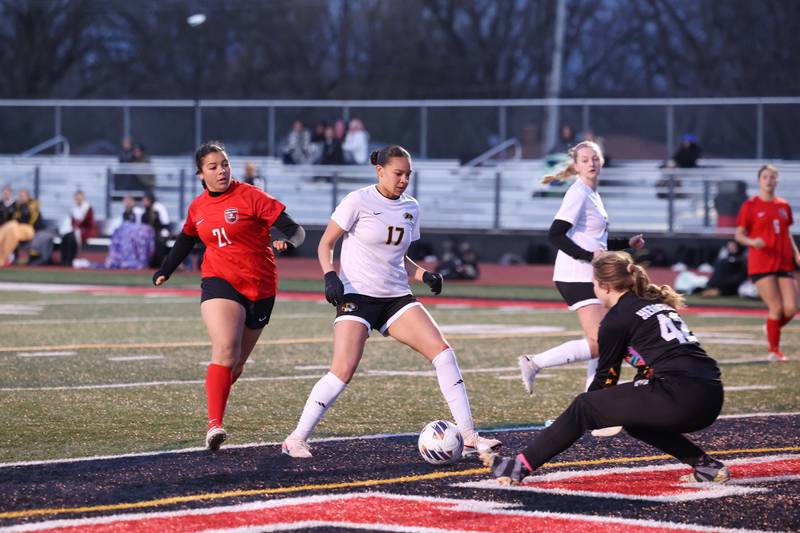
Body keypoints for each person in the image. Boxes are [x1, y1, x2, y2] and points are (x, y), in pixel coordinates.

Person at [281, 144, 501, 459]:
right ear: (380, 170)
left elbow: (400, 256)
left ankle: (468, 437)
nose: (403, 180)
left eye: (408, 175)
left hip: (396, 297)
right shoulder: (358, 200)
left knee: (443, 353)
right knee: (342, 369)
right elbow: (326, 243)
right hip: (357, 295)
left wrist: (424, 275)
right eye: (398, 173)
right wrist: (329, 275)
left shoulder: (411, 206)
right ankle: (296, 438)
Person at [484, 251, 729, 486]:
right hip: (710, 394)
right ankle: (705, 466)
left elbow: (606, 378)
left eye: (594, 283)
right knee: (634, 419)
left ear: (606, 286)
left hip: (681, 396)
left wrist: (575, 420)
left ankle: (517, 467)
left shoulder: (616, 318)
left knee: (584, 405)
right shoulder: (653, 303)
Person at [152, 141, 305, 451]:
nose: (221, 170)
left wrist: (288, 243)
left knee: (234, 365)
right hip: (219, 280)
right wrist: (165, 268)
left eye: (224, 164)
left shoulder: (251, 196)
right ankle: (214, 425)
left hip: (260, 286)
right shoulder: (198, 207)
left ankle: (218, 393)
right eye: (213, 167)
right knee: (224, 349)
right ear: (200, 174)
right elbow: (186, 238)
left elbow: (296, 230)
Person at [519, 141, 645, 402]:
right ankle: (535, 363)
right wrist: (588, 257)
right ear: (576, 166)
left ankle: (594, 399)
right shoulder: (578, 192)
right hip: (575, 275)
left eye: (595, 158)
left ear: (602, 161)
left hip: (591, 275)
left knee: (605, 339)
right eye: (585, 160)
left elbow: (596, 241)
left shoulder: (593, 194)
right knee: (600, 341)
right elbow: (555, 234)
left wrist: (626, 244)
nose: (591, 163)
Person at [734, 164, 799, 361]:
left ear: (777, 180)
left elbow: (786, 233)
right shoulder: (750, 205)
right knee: (776, 307)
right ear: (759, 180)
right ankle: (775, 350)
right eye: (765, 177)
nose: (769, 180)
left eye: (772, 177)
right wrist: (752, 241)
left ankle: (771, 326)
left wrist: (796, 253)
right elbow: (739, 235)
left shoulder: (783, 205)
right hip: (761, 263)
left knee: (791, 308)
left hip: (784, 261)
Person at [0, 188, 43, 266]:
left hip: (29, 229)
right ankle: (5, 258)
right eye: (20, 195)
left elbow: (33, 221)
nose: (21, 197)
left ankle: (3, 258)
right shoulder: (16, 206)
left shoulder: (32, 206)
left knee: (12, 226)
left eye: (23, 195)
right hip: (16, 229)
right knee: (12, 231)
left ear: (27, 196)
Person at [59, 190, 97, 267]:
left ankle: (70, 260)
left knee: (71, 238)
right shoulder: (75, 209)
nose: (78, 200)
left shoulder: (87, 208)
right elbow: (73, 222)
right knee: (65, 237)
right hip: (76, 231)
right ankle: (64, 260)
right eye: (77, 198)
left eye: (80, 198)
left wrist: (77, 226)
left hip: (86, 231)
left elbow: (86, 222)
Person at [141, 191, 170, 268]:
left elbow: (165, 223)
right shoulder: (145, 210)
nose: (143, 202)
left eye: (145, 200)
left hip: (162, 230)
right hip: (150, 233)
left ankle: (158, 263)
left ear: (150, 200)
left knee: (159, 240)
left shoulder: (158, 207)